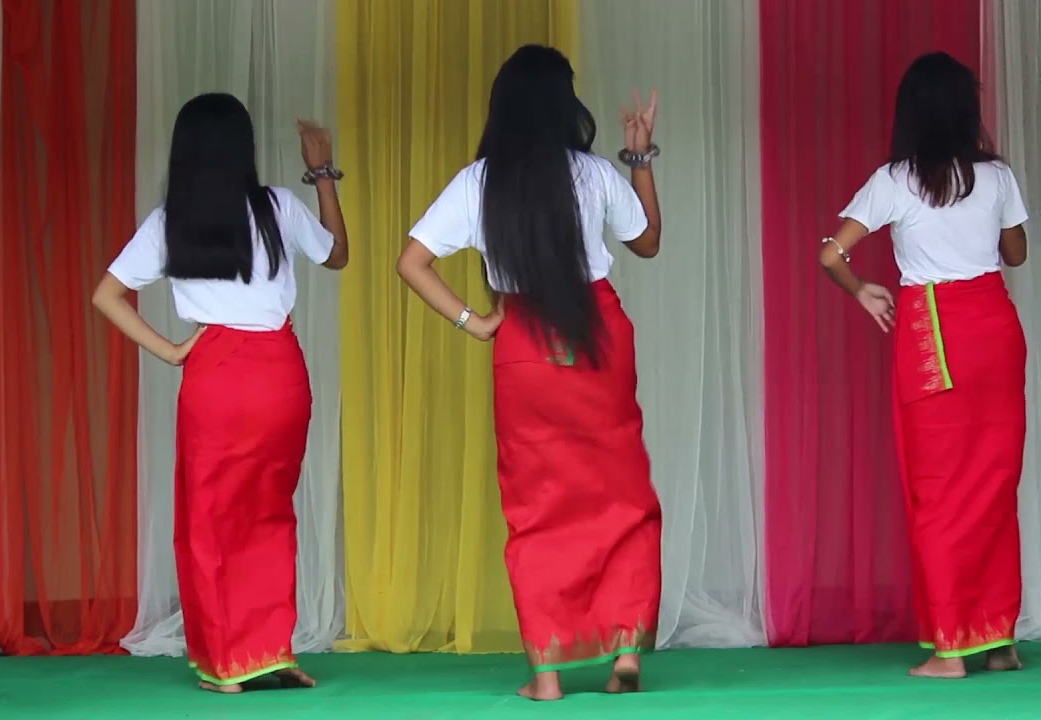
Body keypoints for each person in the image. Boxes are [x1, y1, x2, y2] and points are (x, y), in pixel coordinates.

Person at [396, 45, 663, 701]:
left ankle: (546, 676)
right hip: (597, 336)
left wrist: (473, 321)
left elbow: (411, 262)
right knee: (621, 492)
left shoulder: (478, 181)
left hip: (522, 346)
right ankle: (624, 657)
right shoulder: (596, 174)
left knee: (535, 505)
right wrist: (640, 158)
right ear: (563, 105)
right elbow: (649, 240)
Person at [92, 93, 348, 693]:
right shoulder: (279, 207)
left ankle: (226, 665)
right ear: (243, 148)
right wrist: (321, 173)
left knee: (211, 521)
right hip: (280, 374)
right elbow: (338, 255)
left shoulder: (170, 221)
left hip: (216, 374)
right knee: (269, 513)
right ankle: (272, 653)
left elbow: (106, 294)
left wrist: (173, 350)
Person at [818, 52, 1029, 679]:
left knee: (939, 491)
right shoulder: (997, 177)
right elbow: (1014, 253)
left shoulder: (894, 180)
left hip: (932, 333)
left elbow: (831, 254)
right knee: (993, 485)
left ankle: (950, 648)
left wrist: (861, 289)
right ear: (969, 110)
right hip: (994, 329)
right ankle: (999, 640)